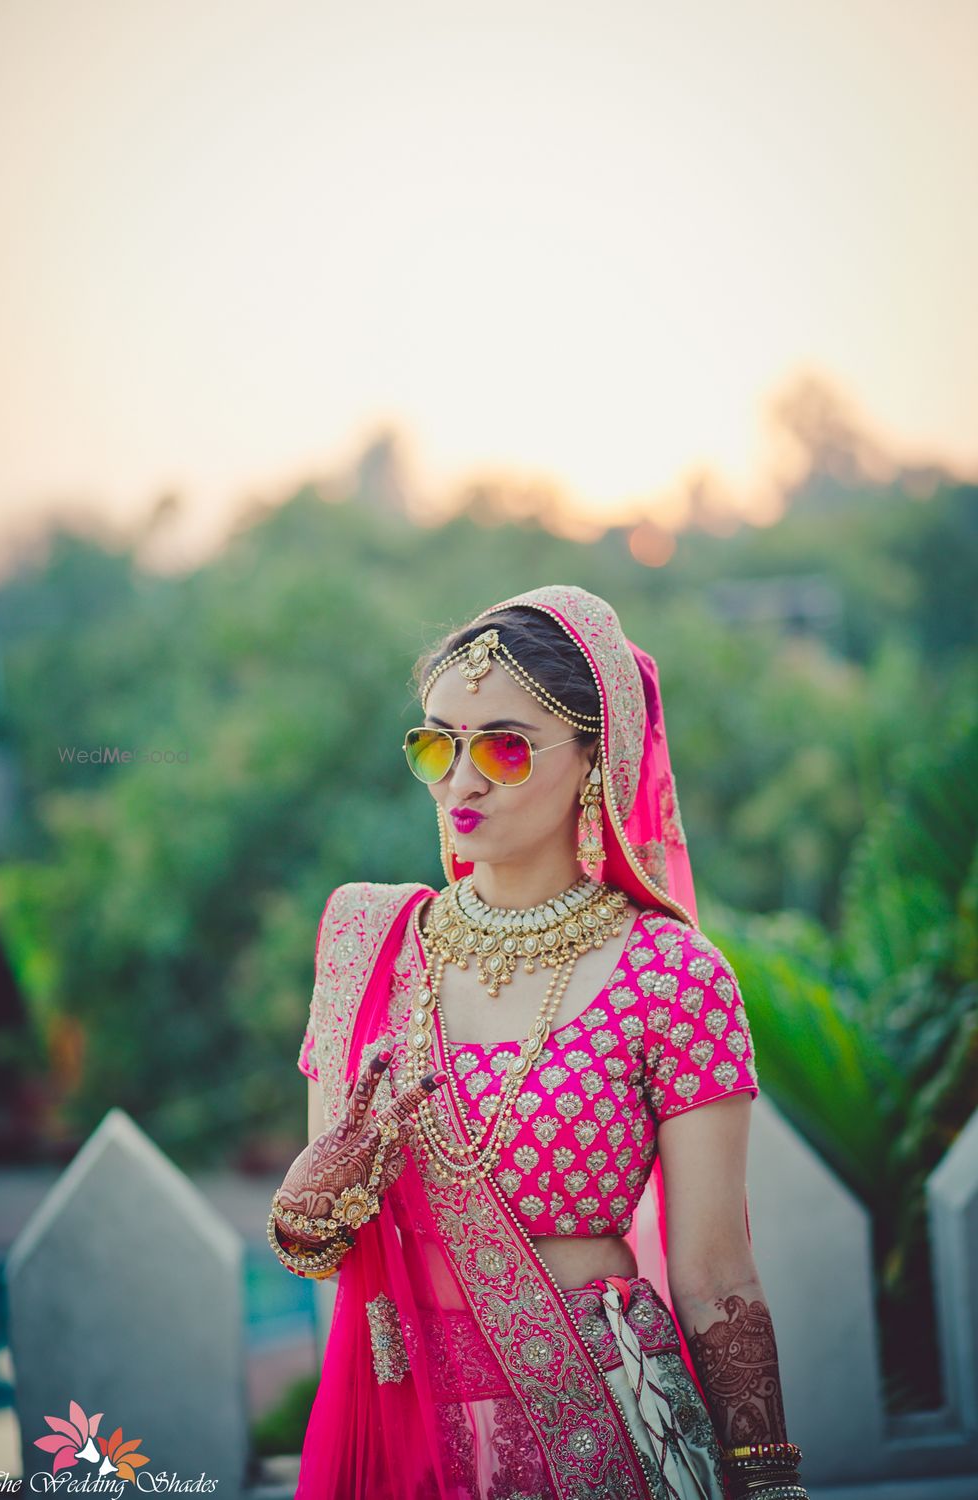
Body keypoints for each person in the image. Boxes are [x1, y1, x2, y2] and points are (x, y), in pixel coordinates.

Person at [268, 584, 808, 1500]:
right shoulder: (369, 946)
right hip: (411, 1428)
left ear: (598, 758)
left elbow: (716, 1271)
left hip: (607, 1413)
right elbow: (326, 1253)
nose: (460, 781)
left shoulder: (670, 974)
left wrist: (765, 1475)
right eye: (436, 743)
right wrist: (309, 1207)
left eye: (506, 748)